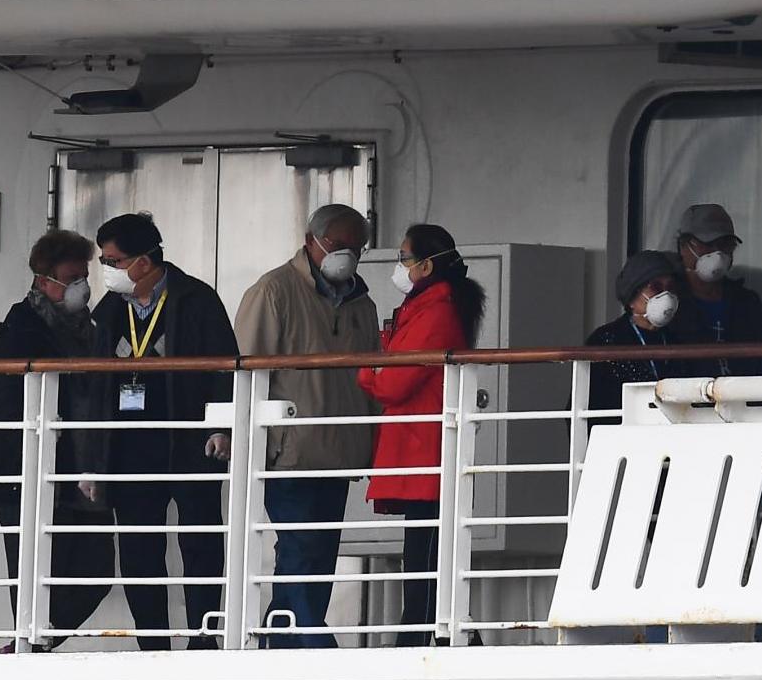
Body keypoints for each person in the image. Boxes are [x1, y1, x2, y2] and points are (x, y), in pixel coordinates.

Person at [79, 213, 240, 649]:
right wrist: (93, 461)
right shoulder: (109, 310)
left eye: (114, 260)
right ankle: (152, 646)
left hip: (191, 443)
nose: (106, 269)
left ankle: (204, 641)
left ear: (144, 262)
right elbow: (95, 389)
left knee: (201, 546)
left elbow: (227, 367)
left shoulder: (197, 301)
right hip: (129, 450)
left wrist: (222, 427)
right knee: (137, 553)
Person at [234, 204, 381, 647]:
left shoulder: (364, 304)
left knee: (318, 554)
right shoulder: (273, 292)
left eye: (356, 247)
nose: (347, 255)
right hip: (290, 452)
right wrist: (241, 438)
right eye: (338, 245)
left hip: (339, 453)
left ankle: (281, 644)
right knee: (299, 549)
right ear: (311, 240)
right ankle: (314, 645)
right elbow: (243, 372)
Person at [0, 231, 113, 646]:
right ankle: (28, 646)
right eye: (72, 278)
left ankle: (36, 643)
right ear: (44, 280)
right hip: (23, 471)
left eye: (84, 277)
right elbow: (11, 399)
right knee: (33, 572)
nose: (82, 287)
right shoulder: (19, 329)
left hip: (74, 467)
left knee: (97, 568)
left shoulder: (89, 327)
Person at [358, 224, 482, 646]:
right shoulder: (430, 308)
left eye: (405, 257)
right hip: (421, 443)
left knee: (425, 557)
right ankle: (433, 640)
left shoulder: (434, 313)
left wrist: (369, 369)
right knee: (426, 555)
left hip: (424, 446)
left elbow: (392, 382)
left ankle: (416, 644)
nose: (400, 266)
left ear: (426, 266)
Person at [585, 250, 685, 416]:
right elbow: (587, 405)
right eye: (656, 287)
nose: (665, 295)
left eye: (671, 287)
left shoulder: (678, 338)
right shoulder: (606, 340)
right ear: (632, 297)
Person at [675, 204, 762, 375]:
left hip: (739, 398)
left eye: (726, 245)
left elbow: (758, 365)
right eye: (708, 244)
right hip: (688, 398)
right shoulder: (670, 301)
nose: (717, 253)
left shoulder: (746, 302)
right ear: (683, 246)